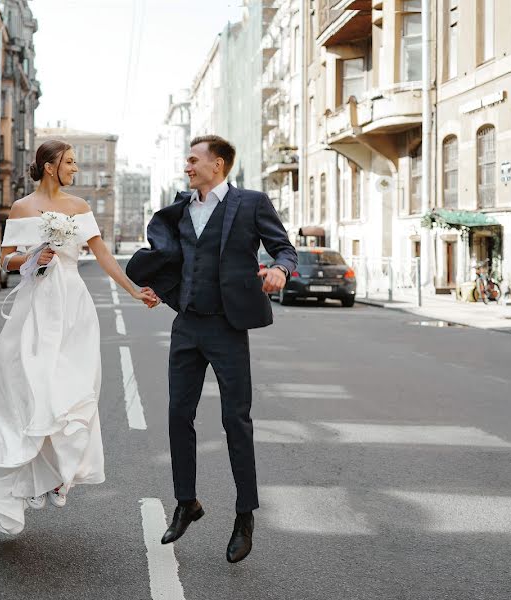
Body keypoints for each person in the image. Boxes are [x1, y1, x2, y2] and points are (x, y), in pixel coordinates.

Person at [0, 140, 158, 539]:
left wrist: (133, 290)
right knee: (24, 391)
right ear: (50, 166)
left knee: (71, 388)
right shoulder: (21, 208)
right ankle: (15, 476)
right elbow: (5, 258)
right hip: (35, 306)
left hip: (73, 308)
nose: (75, 170)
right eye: (70, 163)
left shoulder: (80, 208)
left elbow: (102, 255)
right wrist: (33, 258)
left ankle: (62, 473)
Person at [126, 135, 297, 563]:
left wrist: (279, 269)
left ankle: (245, 516)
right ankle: (187, 502)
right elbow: (171, 259)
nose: (187, 166)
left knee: (235, 420)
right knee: (178, 414)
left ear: (217, 165)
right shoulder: (181, 207)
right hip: (186, 325)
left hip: (227, 328)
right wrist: (156, 291)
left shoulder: (251, 203)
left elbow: (284, 248)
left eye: (193, 160)